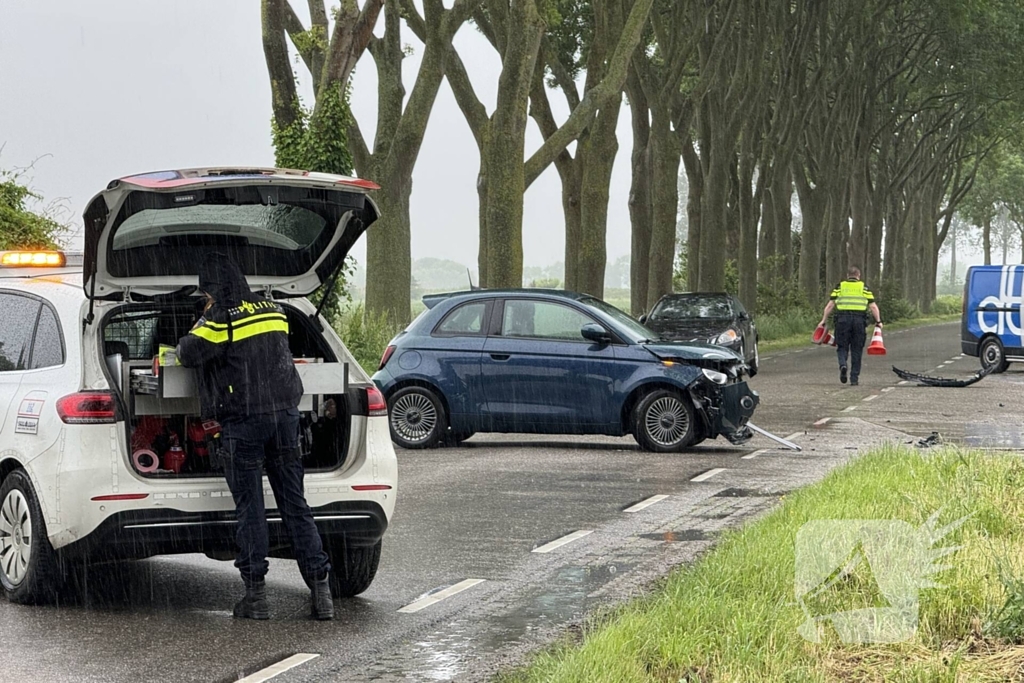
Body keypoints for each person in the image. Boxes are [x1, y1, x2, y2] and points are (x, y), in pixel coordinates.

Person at [176, 253, 333, 621]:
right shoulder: (273, 310)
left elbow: (187, 353)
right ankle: (321, 592)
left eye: (206, 293)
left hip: (244, 421)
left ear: (212, 290)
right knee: (295, 505)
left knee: (251, 509)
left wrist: (202, 317)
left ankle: (256, 597)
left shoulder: (219, 317)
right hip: (284, 417)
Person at [818, 266, 882, 386]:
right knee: (857, 349)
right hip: (859, 321)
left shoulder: (840, 287)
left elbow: (830, 305)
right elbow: (873, 306)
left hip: (842, 320)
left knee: (842, 346)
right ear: (859, 275)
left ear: (848, 276)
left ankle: (843, 364)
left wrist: (823, 320)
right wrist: (878, 321)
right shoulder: (864, 287)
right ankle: (854, 378)